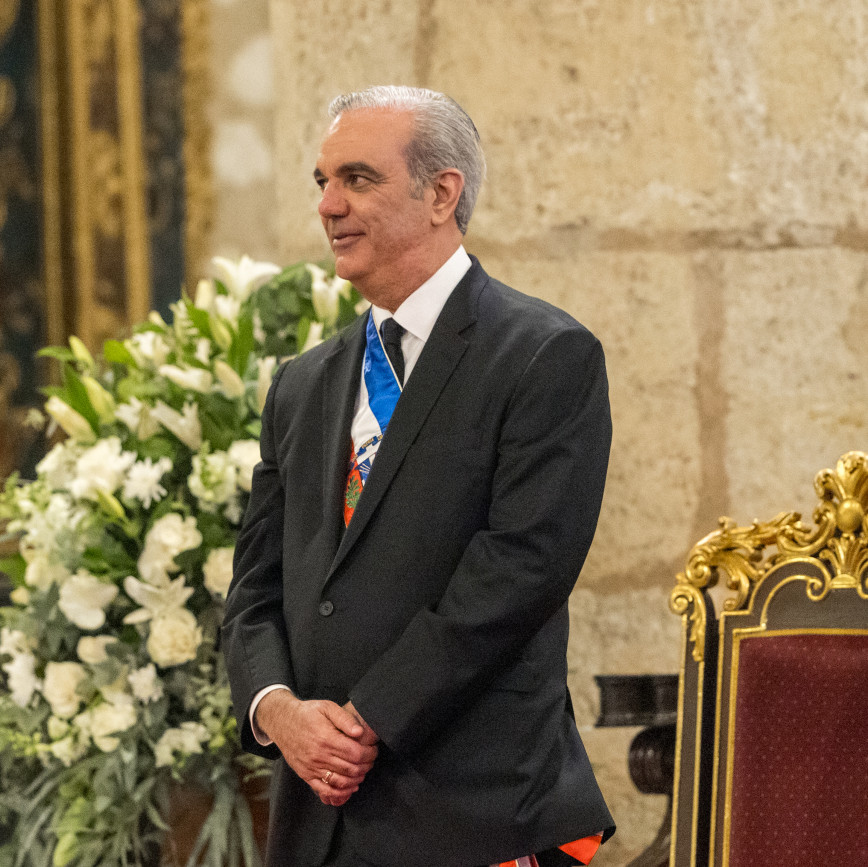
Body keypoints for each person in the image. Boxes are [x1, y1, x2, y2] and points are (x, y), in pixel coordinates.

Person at [222, 86, 615, 867]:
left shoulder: (542, 355)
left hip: (473, 807)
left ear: (441, 194)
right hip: (321, 819)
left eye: (357, 179)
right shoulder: (302, 384)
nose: (328, 205)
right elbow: (255, 588)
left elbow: (520, 569)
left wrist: (367, 718)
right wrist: (279, 711)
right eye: (322, 182)